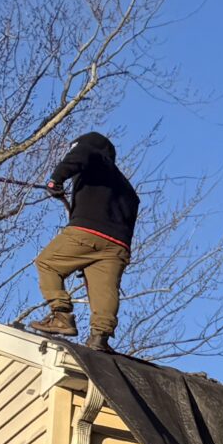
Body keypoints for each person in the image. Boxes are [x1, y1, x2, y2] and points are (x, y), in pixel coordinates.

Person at [30, 134, 139, 350]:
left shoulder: (91, 152)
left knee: (47, 263)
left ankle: (61, 316)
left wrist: (56, 180)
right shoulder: (128, 190)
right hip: (117, 246)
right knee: (104, 290)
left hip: (87, 233)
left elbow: (81, 154)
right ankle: (100, 337)